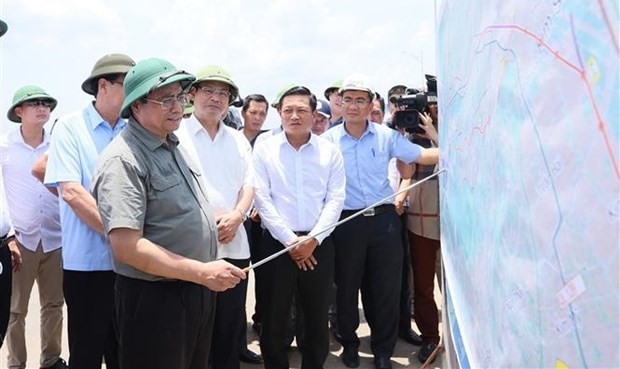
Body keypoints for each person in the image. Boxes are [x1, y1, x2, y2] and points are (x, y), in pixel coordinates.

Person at [91, 57, 246, 369]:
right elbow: (126, 246)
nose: (178, 106)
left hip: (194, 288)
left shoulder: (173, 145)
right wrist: (201, 272)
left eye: (180, 96)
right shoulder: (123, 160)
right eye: (165, 99)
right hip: (156, 298)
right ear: (136, 106)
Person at [321, 75, 439, 369]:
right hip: (346, 222)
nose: (353, 105)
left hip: (384, 222)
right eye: (348, 99)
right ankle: (349, 342)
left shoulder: (387, 137)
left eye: (361, 100)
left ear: (371, 104)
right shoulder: (327, 141)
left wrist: (460, 148)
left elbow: (422, 155)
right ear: (340, 102)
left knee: (385, 288)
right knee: (347, 287)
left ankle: (383, 348)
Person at [43, 53, 135, 369]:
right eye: (128, 84)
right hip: (87, 265)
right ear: (104, 85)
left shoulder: (134, 129)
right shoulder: (70, 128)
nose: (135, 92)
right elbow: (71, 191)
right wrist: (123, 235)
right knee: (86, 352)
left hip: (132, 264)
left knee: (126, 352)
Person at [253, 85, 346, 369]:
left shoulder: (329, 152)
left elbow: (336, 198)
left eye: (302, 110)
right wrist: (290, 240)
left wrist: (312, 240)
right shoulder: (264, 149)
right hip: (277, 245)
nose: (295, 115)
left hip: (318, 245)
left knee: (317, 319)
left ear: (313, 113)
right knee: (274, 318)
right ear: (279, 114)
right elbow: (261, 197)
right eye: (288, 110)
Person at [176, 64, 261, 368]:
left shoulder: (238, 139)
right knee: (193, 332)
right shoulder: (176, 134)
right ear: (192, 94)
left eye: (223, 93)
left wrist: (238, 215)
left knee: (229, 328)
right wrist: (207, 221)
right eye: (209, 90)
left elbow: (249, 184)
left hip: (234, 245)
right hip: (192, 249)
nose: (215, 98)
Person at [2, 86, 66, 369]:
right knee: (16, 309)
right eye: (34, 103)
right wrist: (10, 235)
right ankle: (16, 363)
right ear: (19, 111)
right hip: (21, 239)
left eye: (45, 103)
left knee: (53, 305)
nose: (42, 108)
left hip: (56, 236)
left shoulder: (59, 145)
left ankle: (51, 360)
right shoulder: (4, 147)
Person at [406, 104, 442, 364]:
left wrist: (435, 134)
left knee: (455, 287)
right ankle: (430, 337)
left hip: (460, 223)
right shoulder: (411, 137)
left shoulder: (465, 129)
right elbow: (405, 171)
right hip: (421, 221)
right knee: (423, 285)